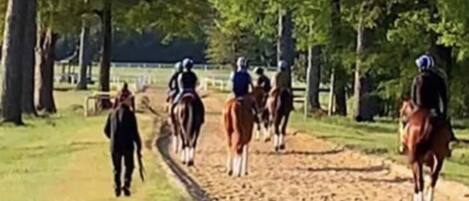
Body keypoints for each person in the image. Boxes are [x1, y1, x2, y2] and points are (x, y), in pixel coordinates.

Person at [411, 53, 457, 143]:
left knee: (406, 123)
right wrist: (443, 113)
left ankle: (404, 144)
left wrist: (415, 109)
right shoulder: (439, 79)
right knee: (444, 125)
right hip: (434, 111)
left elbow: (413, 98)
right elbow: (443, 98)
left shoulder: (417, 79)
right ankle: (449, 139)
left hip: (420, 110)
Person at [104, 95, 142, 197]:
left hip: (115, 145)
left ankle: (117, 188)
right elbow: (135, 132)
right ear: (125, 100)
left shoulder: (111, 114)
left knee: (117, 168)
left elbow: (106, 130)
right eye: (129, 99)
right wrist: (139, 144)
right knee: (129, 166)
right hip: (127, 146)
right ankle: (126, 185)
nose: (130, 101)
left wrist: (112, 138)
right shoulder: (130, 114)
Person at [173, 58, 204, 123]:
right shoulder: (193, 74)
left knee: (174, 104)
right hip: (192, 91)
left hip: (182, 92)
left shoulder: (181, 75)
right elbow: (196, 83)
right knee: (200, 104)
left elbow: (180, 84)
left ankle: (173, 116)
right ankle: (201, 118)